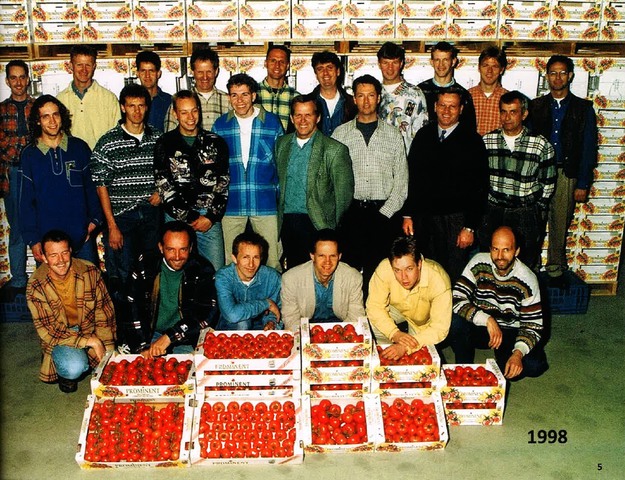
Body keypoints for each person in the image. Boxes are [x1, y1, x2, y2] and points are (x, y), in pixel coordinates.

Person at [402, 88, 488, 283]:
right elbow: (412, 178)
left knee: (451, 274)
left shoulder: (472, 141)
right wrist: (408, 214)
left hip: (455, 221)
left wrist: (470, 227)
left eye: (452, 107)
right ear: (435, 107)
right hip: (424, 219)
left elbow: (479, 187)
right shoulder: (423, 135)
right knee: (425, 271)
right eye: (442, 105)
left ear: (461, 109)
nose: (446, 111)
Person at [332, 74, 407, 291]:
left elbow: (401, 183)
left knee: (380, 277)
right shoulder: (340, 134)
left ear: (379, 98)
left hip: (384, 214)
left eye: (371, 95)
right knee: (350, 275)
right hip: (351, 214)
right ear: (354, 99)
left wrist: (384, 214)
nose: (366, 101)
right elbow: (331, 179)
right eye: (361, 96)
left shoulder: (393, 135)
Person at [529, 55, 598, 287]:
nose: (557, 78)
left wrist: (583, 183)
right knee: (534, 222)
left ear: (570, 76)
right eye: (553, 73)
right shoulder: (535, 106)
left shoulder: (583, 109)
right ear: (546, 76)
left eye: (562, 73)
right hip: (538, 173)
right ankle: (530, 267)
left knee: (560, 224)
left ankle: (555, 270)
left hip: (565, 173)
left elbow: (589, 147)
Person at [450, 226, 549, 380]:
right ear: (490, 249)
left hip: (510, 329)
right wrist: (487, 319)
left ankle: (504, 357)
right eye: (495, 249)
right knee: (455, 322)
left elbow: (533, 325)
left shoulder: (528, 279)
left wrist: (518, 353)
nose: (500, 256)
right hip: (482, 325)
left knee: (533, 366)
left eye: (506, 250)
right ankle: (463, 369)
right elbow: (456, 297)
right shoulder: (478, 262)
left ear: (516, 251)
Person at [91, 84, 162, 291]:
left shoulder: (158, 138)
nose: (137, 111)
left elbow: (169, 171)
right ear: (123, 107)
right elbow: (101, 186)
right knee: (123, 275)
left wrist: (161, 191)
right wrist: (112, 226)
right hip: (122, 218)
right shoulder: (107, 143)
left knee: (152, 271)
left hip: (151, 215)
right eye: (131, 106)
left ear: (147, 107)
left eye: (141, 105)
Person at [26, 229, 115, 393]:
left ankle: (83, 355)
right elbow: (49, 330)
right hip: (61, 334)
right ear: (44, 258)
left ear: (71, 251)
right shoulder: (36, 285)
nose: (60, 260)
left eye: (64, 253)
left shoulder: (90, 271)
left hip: (89, 328)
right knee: (74, 367)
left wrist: (107, 348)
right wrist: (92, 342)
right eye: (53, 255)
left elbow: (104, 313)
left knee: (111, 364)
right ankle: (63, 370)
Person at [19, 95, 102, 265]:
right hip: (48, 244)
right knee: (50, 284)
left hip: (82, 239)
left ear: (62, 117)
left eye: (55, 115)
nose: (52, 121)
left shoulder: (79, 148)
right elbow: (25, 202)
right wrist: (33, 240)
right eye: (45, 116)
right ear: (38, 121)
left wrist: (94, 222)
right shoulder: (29, 155)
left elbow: (92, 189)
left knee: (90, 281)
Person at [116, 221, 218, 357]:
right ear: (161, 247)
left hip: (186, 336)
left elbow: (206, 314)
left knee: (199, 363)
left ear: (191, 248)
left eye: (183, 249)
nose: (177, 256)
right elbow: (130, 306)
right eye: (171, 249)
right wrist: (141, 347)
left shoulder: (203, 269)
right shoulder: (145, 264)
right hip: (149, 334)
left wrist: (171, 336)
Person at [212, 74, 283, 269]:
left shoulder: (272, 123)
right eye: (234, 95)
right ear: (229, 97)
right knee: (232, 261)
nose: (240, 100)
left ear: (253, 96)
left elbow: (281, 165)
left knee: (271, 260)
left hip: (265, 203)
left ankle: (271, 291)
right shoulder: (220, 125)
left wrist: (277, 195)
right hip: (232, 204)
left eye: (244, 94)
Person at [275, 94, 354, 268]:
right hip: (287, 222)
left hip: (317, 223)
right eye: (298, 115)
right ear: (291, 118)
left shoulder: (334, 149)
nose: (303, 120)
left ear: (317, 118)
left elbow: (344, 195)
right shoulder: (281, 144)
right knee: (294, 273)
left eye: (308, 115)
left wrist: (330, 226)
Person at [480, 91, 556, 271]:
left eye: (513, 112)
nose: (507, 117)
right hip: (493, 211)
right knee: (490, 261)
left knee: (525, 262)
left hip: (524, 213)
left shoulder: (540, 144)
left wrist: (537, 207)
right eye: (503, 112)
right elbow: (478, 178)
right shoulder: (487, 141)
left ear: (524, 114)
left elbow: (548, 181)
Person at [155, 90, 230, 270]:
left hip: (208, 218)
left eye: (194, 111)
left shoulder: (215, 142)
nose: (190, 117)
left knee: (215, 270)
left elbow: (223, 183)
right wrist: (190, 217)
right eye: (184, 112)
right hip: (176, 217)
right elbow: (163, 185)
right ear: (175, 114)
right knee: (176, 268)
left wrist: (210, 217)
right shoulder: (165, 143)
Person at [366, 236, 451, 362]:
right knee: (371, 322)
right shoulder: (384, 268)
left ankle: (398, 350)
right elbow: (374, 306)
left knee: (421, 359)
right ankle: (386, 353)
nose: (404, 277)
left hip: (423, 322)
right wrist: (394, 333)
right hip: (396, 308)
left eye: (409, 269)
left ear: (419, 264)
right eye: (397, 270)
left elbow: (439, 328)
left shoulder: (439, 280)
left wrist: (405, 347)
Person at [281, 229, 364, 331]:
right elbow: (291, 320)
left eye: (332, 256)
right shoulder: (291, 279)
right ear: (312, 256)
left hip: (341, 328)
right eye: (321, 256)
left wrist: (339, 336)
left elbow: (356, 317)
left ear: (339, 256)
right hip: (305, 329)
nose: (327, 262)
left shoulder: (353, 277)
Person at [0, 60, 35, 298]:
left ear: (28, 79)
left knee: (40, 222)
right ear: (7, 81)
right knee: (17, 228)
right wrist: (27, 147)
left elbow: (43, 139)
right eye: (14, 78)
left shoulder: (37, 107)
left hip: (36, 173)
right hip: (11, 174)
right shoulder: (1, 110)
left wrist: (26, 148)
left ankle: (44, 274)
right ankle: (19, 279)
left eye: (22, 77)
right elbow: (4, 146)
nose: (19, 82)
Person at [56, 44, 120, 149]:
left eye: (88, 65)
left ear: (94, 66)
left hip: (102, 157)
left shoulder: (109, 99)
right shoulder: (60, 100)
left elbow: (117, 135)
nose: (84, 70)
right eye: (79, 65)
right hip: (72, 157)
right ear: (71, 66)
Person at [215, 231, 282, 330]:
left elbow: (276, 310)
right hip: (231, 327)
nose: (251, 264)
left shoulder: (272, 277)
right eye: (245, 257)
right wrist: (266, 303)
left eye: (256, 257)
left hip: (261, 328)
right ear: (234, 258)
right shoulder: (224, 277)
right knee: (243, 323)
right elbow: (232, 315)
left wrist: (271, 322)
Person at [377, 42, 429, 152]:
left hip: (406, 158)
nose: (390, 68)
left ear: (401, 64)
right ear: (379, 64)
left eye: (395, 62)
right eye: (385, 63)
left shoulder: (415, 95)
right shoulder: (373, 94)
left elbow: (422, 133)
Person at [165, 48, 229, 132]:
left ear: (216, 71)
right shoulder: (180, 103)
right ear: (192, 72)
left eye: (209, 72)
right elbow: (169, 136)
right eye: (200, 72)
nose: (205, 77)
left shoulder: (229, 101)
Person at [417, 41, 477, 132]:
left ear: (453, 61)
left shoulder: (463, 94)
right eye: (437, 60)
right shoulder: (419, 91)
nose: (441, 64)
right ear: (431, 62)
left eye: (445, 60)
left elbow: (469, 129)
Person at [309, 50, 357, 136]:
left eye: (330, 68)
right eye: (320, 69)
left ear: (338, 71)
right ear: (316, 75)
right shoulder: (307, 103)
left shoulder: (352, 104)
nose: (325, 73)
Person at [257, 44, 299, 131]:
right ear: (265, 63)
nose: (277, 65)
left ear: (287, 66)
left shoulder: (296, 97)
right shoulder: (253, 93)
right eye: (273, 61)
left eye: (282, 62)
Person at [469, 46, 509, 136]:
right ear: (479, 68)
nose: (489, 71)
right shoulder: (467, 96)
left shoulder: (508, 99)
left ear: (501, 70)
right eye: (485, 65)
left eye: (495, 66)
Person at [136, 50, 172, 132]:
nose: (147, 76)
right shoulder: (131, 103)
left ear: (158, 73)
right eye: (143, 71)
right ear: (137, 73)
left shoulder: (170, 102)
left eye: (151, 71)